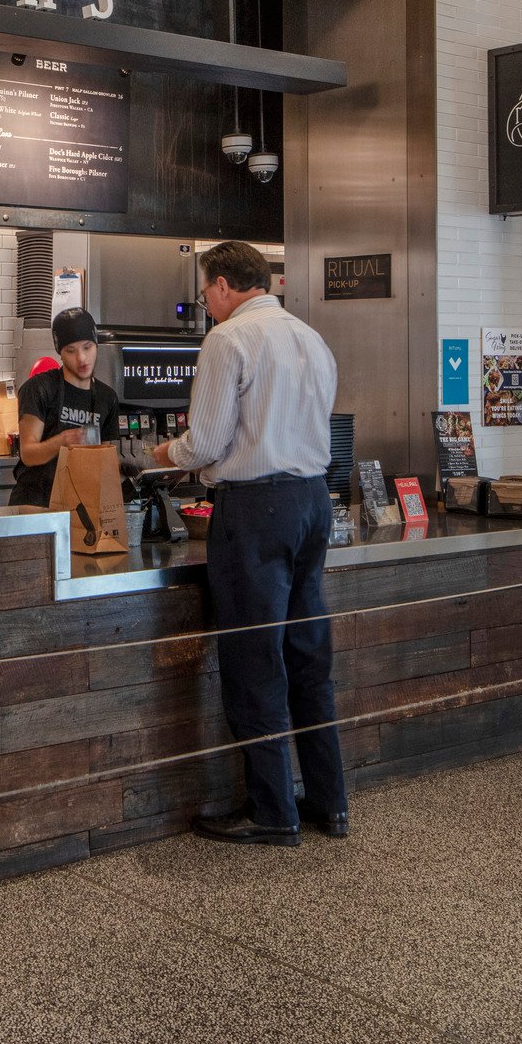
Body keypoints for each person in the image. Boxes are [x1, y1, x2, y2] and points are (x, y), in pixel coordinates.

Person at [152, 241, 344, 847]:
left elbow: (205, 442)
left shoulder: (228, 339)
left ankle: (272, 813)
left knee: (254, 658)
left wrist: (166, 456)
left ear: (228, 285)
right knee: (308, 656)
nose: (205, 301)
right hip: (314, 503)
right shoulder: (311, 338)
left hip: (256, 510)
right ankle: (328, 802)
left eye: (207, 289)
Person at [13, 307, 119, 509]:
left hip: (80, 508)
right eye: (71, 350)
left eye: (87, 347)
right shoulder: (39, 388)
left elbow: (105, 462)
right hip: (34, 506)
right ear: (60, 352)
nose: (81, 358)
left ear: (96, 345)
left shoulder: (108, 398)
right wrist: (62, 441)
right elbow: (28, 453)